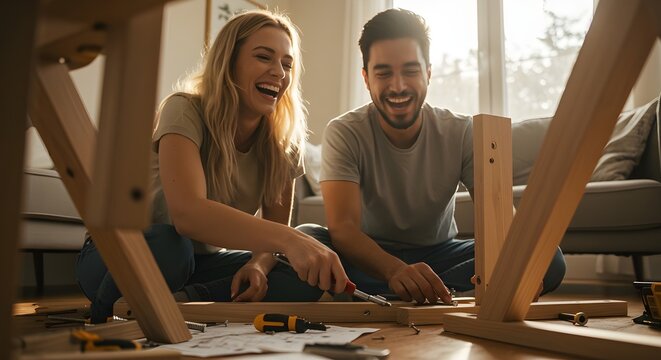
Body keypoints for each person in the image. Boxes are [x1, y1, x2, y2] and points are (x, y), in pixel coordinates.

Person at [76, 10, 348, 323]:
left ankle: (185, 303)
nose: (279, 73)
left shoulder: (284, 143)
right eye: (264, 58)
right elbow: (188, 216)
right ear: (228, 62)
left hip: (198, 262)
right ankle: (111, 311)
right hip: (124, 254)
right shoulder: (184, 109)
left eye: (287, 64)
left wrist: (259, 265)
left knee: (299, 273)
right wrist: (291, 239)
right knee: (171, 246)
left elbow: (270, 239)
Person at [297, 8, 565, 304]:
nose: (398, 86)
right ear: (366, 78)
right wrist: (395, 270)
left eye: (410, 71)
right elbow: (343, 230)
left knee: (546, 257)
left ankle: (396, 290)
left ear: (428, 73)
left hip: (439, 256)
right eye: (384, 73)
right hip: (367, 256)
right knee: (305, 238)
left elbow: (500, 217)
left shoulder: (462, 130)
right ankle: (408, 288)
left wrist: (519, 261)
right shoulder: (344, 131)